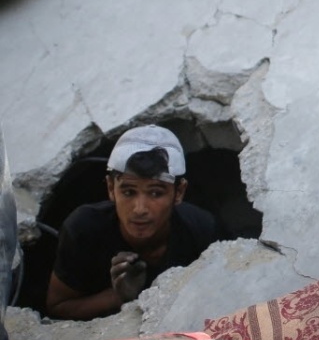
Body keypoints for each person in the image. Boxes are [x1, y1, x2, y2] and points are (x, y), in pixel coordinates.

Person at [46, 125, 219, 320]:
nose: (139, 209)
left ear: (178, 192)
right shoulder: (84, 229)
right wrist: (117, 297)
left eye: (156, 193)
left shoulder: (200, 229)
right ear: (111, 188)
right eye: (128, 192)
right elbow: (58, 307)